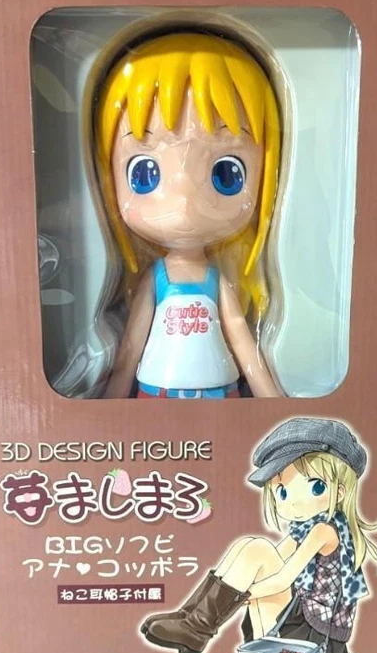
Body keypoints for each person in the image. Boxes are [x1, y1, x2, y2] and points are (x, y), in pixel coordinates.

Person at [93, 32, 282, 398]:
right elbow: (130, 348)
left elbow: (244, 345)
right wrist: (112, 401)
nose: (183, 202)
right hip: (158, 388)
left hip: (218, 389)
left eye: (227, 174)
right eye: (144, 173)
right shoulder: (157, 280)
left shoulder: (215, 280)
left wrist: (272, 403)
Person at [140, 417, 377, 653]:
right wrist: (240, 589)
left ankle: (198, 628)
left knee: (257, 549)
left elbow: (282, 579)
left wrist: (242, 595)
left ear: (341, 491)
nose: (292, 502)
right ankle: (191, 618)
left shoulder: (324, 530)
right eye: (282, 492)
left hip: (312, 638)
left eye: (316, 487)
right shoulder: (306, 527)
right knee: (250, 546)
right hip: (296, 621)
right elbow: (275, 559)